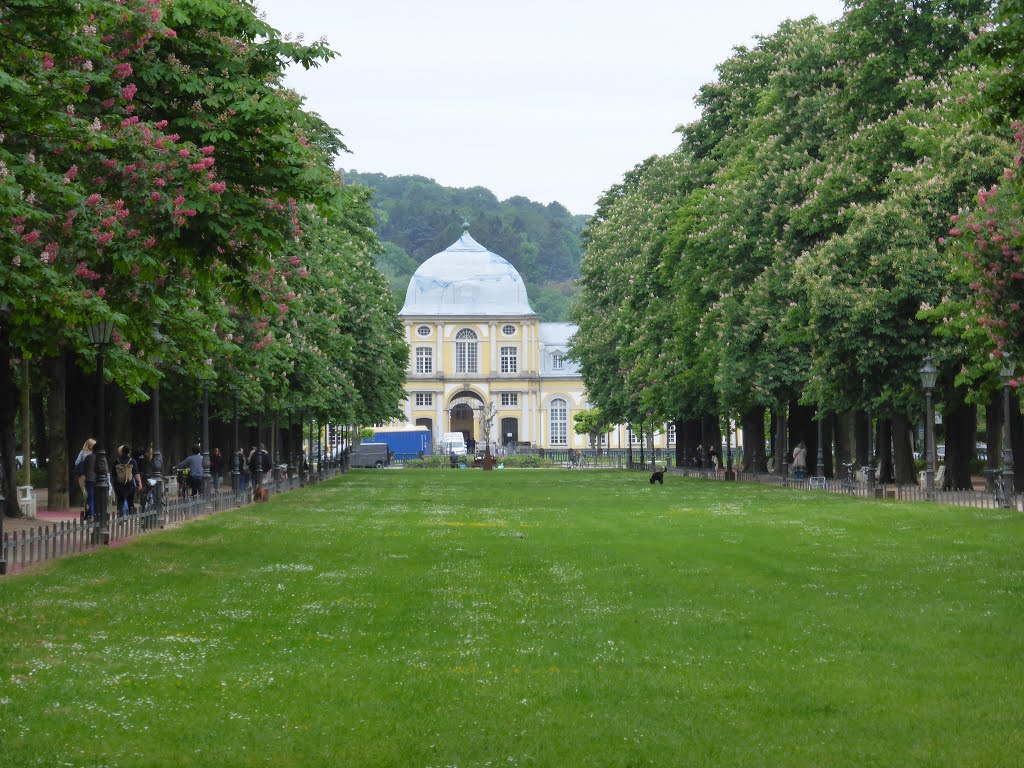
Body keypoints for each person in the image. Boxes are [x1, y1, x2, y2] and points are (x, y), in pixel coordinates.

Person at [112, 444, 142, 516]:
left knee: (120, 501)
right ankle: (131, 516)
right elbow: (136, 474)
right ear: (129, 452)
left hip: (119, 484)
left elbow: (113, 473)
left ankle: (120, 517)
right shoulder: (132, 461)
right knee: (130, 501)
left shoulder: (117, 461)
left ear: (121, 451)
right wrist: (139, 483)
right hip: (129, 484)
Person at [76, 438, 97, 522]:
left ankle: (87, 511)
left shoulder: (82, 452)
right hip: (94, 476)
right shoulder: (95, 454)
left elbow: (77, 462)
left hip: (84, 476)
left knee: (86, 495)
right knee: (93, 496)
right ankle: (92, 513)